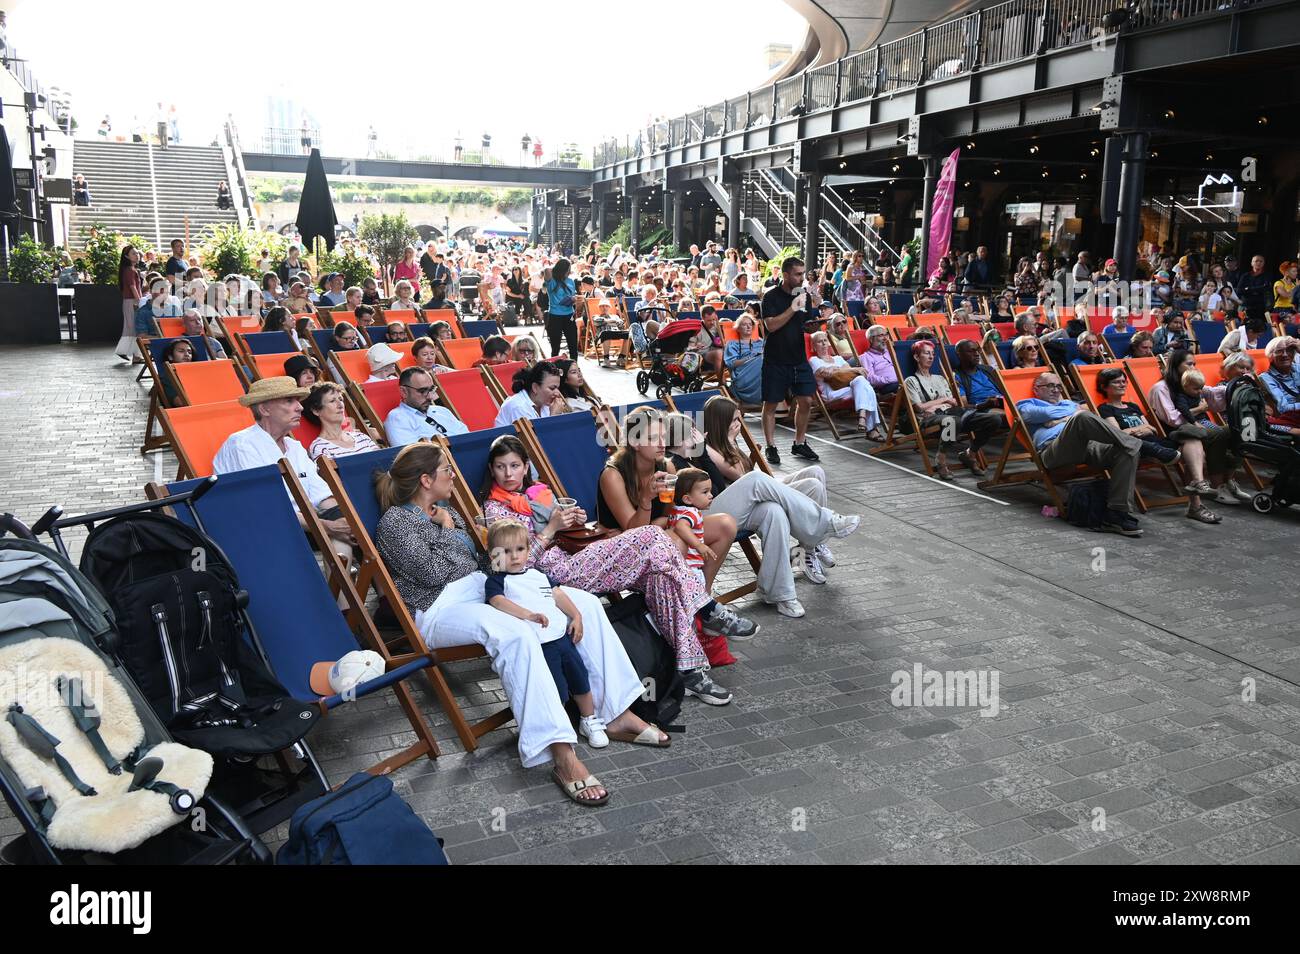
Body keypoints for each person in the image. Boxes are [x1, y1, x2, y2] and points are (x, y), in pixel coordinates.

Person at [375, 443, 659, 804]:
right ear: (426, 479)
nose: (453, 476)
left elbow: (484, 560)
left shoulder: (444, 510)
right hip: (440, 607)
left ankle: (616, 711)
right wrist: (449, 531)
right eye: (447, 470)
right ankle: (561, 753)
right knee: (516, 633)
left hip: (484, 586)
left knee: (583, 603)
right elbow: (432, 574)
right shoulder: (395, 522)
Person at [479, 436, 756, 691]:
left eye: (515, 465)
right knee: (651, 535)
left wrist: (574, 522)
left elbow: (566, 532)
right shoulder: (495, 510)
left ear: (526, 467)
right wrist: (550, 529)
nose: (508, 473)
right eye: (501, 467)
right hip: (556, 575)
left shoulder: (539, 494)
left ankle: (691, 671)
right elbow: (507, 562)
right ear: (492, 471)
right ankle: (707, 608)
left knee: (660, 577)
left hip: (577, 556)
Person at [672, 398, 861, 615]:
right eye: (691, 434)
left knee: (776, 510)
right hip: (706, 517)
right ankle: (823, 527)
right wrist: (705, 451)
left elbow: (717, 486)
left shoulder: (698, 454)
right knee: (756, 480)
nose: (698, 436)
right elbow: (732, 482)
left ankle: (781, 592)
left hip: (728, 505)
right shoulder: (684, 459)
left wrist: (707, 451)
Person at [482, 519, 608, 748]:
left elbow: (558, 595)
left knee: (580, 678)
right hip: (539, 645)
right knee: (555, 688)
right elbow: (497, 602)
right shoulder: (498, 581)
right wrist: (528, 614)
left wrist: (577, 616)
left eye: (520, 549)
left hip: (562, 638)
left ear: (529, 550)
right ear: (493, 555)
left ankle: (589, 720)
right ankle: (558, 726)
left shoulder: (538, 575)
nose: (514, 556)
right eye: (506, 552)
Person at [212, 377, 355, 558]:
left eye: (298, 400)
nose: (300, 407)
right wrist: (328, 526)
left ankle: (350, 583)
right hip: (262, 528)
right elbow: (267, 509)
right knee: (340, 536)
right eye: (289, 401)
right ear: (264, 409)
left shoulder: (293, 446)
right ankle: (343, 584)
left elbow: (321, 496)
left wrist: (345, 520)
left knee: (357, 526)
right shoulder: (242, 444)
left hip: (302, 521)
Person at [1017, 371, 1145, 536]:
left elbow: (1076, 412)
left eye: (1058, 386)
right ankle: (1143, 445)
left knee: (1127, 452)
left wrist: (1061, 419)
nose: (1056, 390)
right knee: (1082, 418)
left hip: (1087, 446)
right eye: (1050, 386)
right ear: (1036, 389)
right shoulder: (1027, 404)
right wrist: (1071, 415)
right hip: (1053, 450)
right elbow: (1044, 414)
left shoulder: (1067, 403)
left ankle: (1116, 514)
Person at [1092, 366, 1218, 523]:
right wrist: (1140, 429)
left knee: (1193, 441)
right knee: (1191, 455)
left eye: (1124, 381)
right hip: (1139, 447)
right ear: (1104, 387)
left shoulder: (1133, 406)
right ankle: (1196, 506)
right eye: (1117, 382)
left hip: (1156, 442)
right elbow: (1118, 434)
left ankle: (1198, 484)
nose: (1122, 384)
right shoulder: (1105, 409)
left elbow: (1151, 428)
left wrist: (1141, 429)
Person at [1147, 348, 1248, 506]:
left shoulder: (1190, 382)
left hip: (1199, 425)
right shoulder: (1162, 388)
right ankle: (1218, 486)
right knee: (1218, 434)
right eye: (1189, 364)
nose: (1193, 367)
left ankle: (1229, 480)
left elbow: (1213, 397)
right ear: (1175, 365)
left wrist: (1234, 386)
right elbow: (1172, 419)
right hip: (1178, 431)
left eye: (1194, 364)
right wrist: (1200, 409)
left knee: (1240, 430)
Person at [759, 256, 821, 465]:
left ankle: (799, 442)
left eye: (803, 273)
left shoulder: (805, 296)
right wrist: (793, 308)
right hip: (775, 358)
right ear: (785, 275)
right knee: (771, 404)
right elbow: (771, 326)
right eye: (797, 274)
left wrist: (813, 327)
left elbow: (805, 323)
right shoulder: (771, 297)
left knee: (806, 401)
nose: (801, 277)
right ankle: (770, 445)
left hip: (798, 356)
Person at [808, 331, 884, 439]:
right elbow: (824, 373)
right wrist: (851, 369)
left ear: (829, 343)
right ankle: (871, 428)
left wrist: (834, 369)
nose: (824, 343)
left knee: (861, 381)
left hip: (850, 388)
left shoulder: (838, 358)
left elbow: (849, 372)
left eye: (825, 340)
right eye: (820, 342)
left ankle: (863, 416)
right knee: (867, 389)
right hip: (832, 393)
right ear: (814, 346)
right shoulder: (814, 360)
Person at [385, 367, 468, 444]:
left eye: (431, 389)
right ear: (404, 392)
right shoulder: (398, 418)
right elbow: (411, 456)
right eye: (422, 391)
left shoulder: (443, 411)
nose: (429, 396)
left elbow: (468, 437)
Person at [303, 382, 380, 460]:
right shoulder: (320, 447)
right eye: (332, 401)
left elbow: (385, 467)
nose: (340, 405)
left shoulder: (362, 437)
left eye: (341, 399)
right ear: (316, 411)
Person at [667, 468, 717, 586]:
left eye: (709, 491)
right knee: (697, 599)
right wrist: (699, 545)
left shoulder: (674, 511)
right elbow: (681, 526)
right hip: (691, 567)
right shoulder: (692, 513)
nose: (711, 496)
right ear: (688, 499)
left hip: (677, 566)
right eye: (705, 492)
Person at [495, 361, 566, 426]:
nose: (557, 393)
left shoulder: (546, 403)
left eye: (558, 388)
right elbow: (535, 439)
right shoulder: (518, 406)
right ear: (535, 387)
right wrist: (554, 416)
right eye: (552, 388)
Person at [724, 311, 765, 405]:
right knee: (764, 359)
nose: (748, 326)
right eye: (744, 324)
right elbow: (730, 363)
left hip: (763, 372)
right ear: (738, 328)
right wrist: (751, 358)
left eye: (750, 324)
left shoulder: (761, 342)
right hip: (744, 378)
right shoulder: (732, 343)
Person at [1261, 336, 1300, 433]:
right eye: (1279, 351)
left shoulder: (1297, 368)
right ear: (1271, 356)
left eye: (1289, 350)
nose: (1285, 354)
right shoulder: (1266, 378)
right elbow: (1283, 408)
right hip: (1289, 420)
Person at [543, 257, 579, 358]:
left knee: (573, 344)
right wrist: (558, 267)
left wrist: (573, 299)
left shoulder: (571, 281)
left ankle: (575, 366)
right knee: (555, 347)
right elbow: (547, 270)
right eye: (568, 269)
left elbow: (572, 294)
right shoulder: (552, 281)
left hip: (569, 315)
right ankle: (554, 368)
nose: (569, 271)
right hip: (555, 315)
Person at [116, 246, 144, 362]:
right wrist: (139, 301)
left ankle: (133, 354)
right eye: (133, 253)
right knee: (132, 327)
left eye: (137, 253)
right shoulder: (130, 270)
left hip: (130, 301)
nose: (136, 255)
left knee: (131, 327)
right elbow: (133, 287)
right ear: (127, 256)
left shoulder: (131, 269)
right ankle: (132, 354)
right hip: (132, 301)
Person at [860, 324, 900, 392]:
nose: (885, 338)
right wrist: (890, 379)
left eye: (886, 335)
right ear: (871, 339)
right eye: (881, 335)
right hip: (888, 386)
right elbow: (870, 378)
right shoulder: (866, 357)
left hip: (902, 380)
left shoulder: (891, 351)